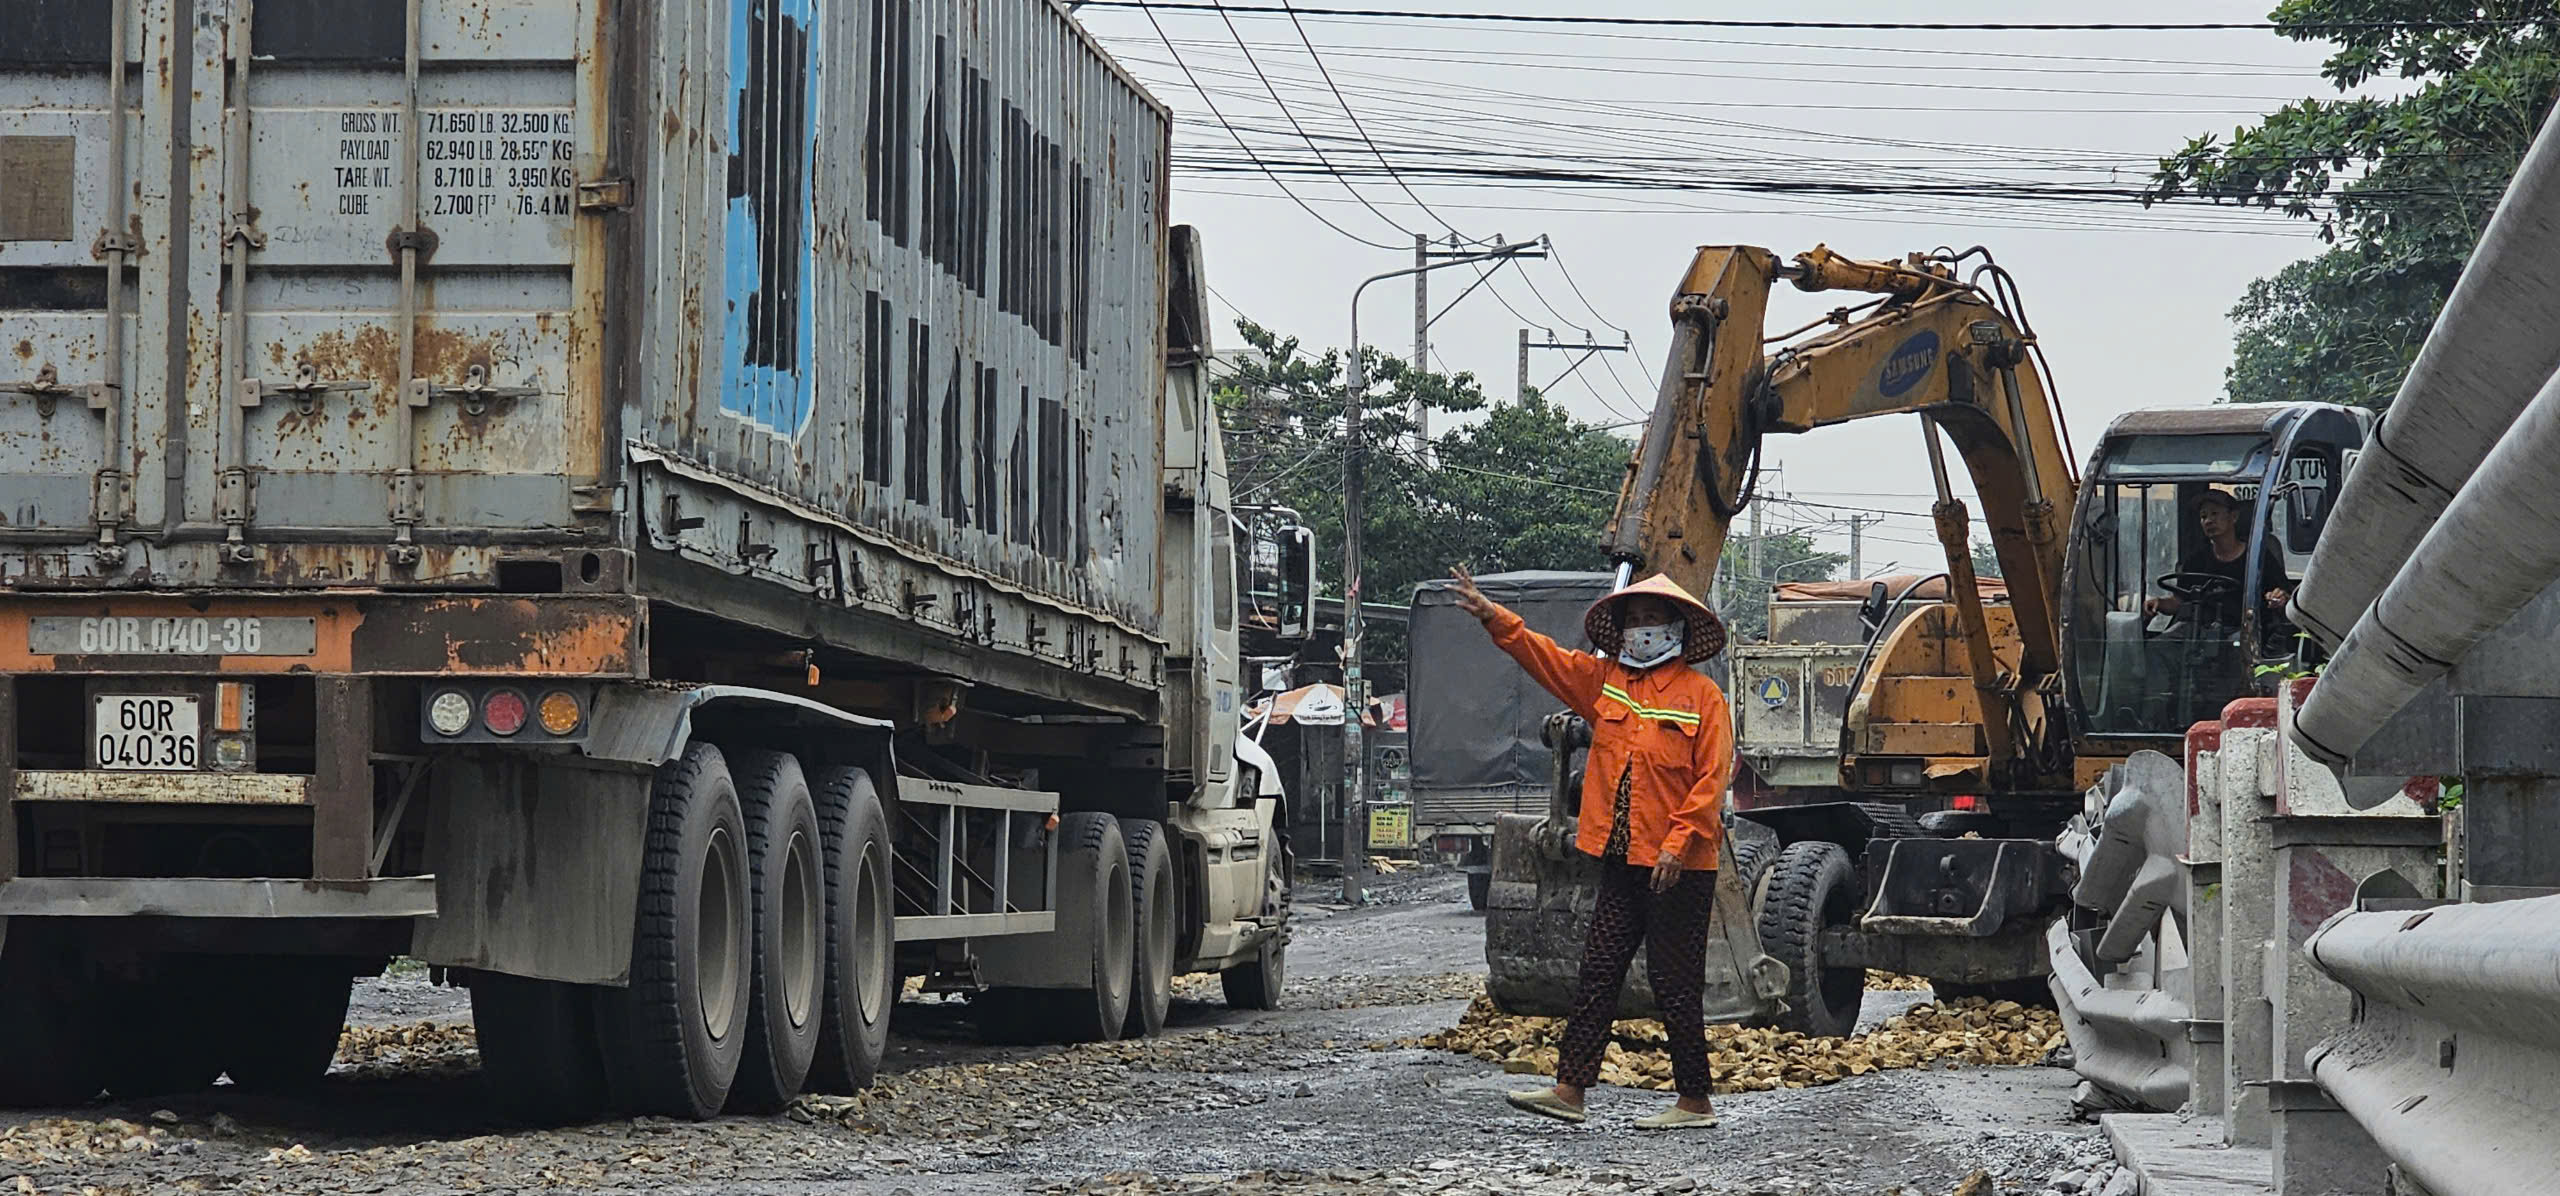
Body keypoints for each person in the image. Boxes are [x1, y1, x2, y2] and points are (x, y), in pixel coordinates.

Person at [1448, 565, 1733, 1130]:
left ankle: (1695, 1102)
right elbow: (1542, 655)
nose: (1642, 629)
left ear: (1677, 629)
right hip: (1623, 861)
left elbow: (1711, 780)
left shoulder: (1704, 698)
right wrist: (1492, 617)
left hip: (1681, 867)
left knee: (1674, 983)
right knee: (1598, 971)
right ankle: (1570, 1089)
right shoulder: (1604, 683)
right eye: (1634, 620)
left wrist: (1676, 846)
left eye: (1654, 619)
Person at [2143, 489, 2290, 631]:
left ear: (2233, 517)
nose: (2208, 521)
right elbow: (2179, 601)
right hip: (2201, 632)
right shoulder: (2196, 560)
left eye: (2214, 513)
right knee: (2159, 648)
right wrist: (2159, 603)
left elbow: (2283, 594)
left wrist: (2278, 597)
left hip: (2247, 633)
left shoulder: (2258, 558)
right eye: (2203, 516)